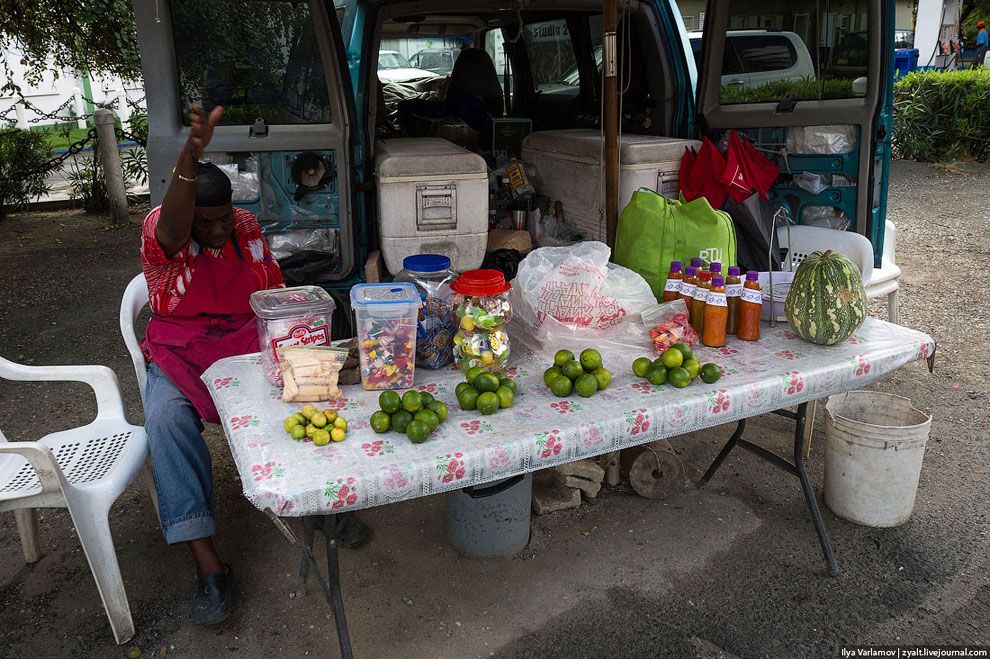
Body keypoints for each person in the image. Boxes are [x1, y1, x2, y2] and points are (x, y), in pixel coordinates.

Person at [140, 104, 366, 625]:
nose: (219, 230)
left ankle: (324, 503)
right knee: (167, 421)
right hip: (181, 352)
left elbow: (274, 296)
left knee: (311, 386)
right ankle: (209, 566)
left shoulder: (241, 225)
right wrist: (191, 154)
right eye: (207, 222)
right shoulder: (161, 232)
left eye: (223, 218)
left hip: (247, 339)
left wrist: (301, 349)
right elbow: (175, 225)